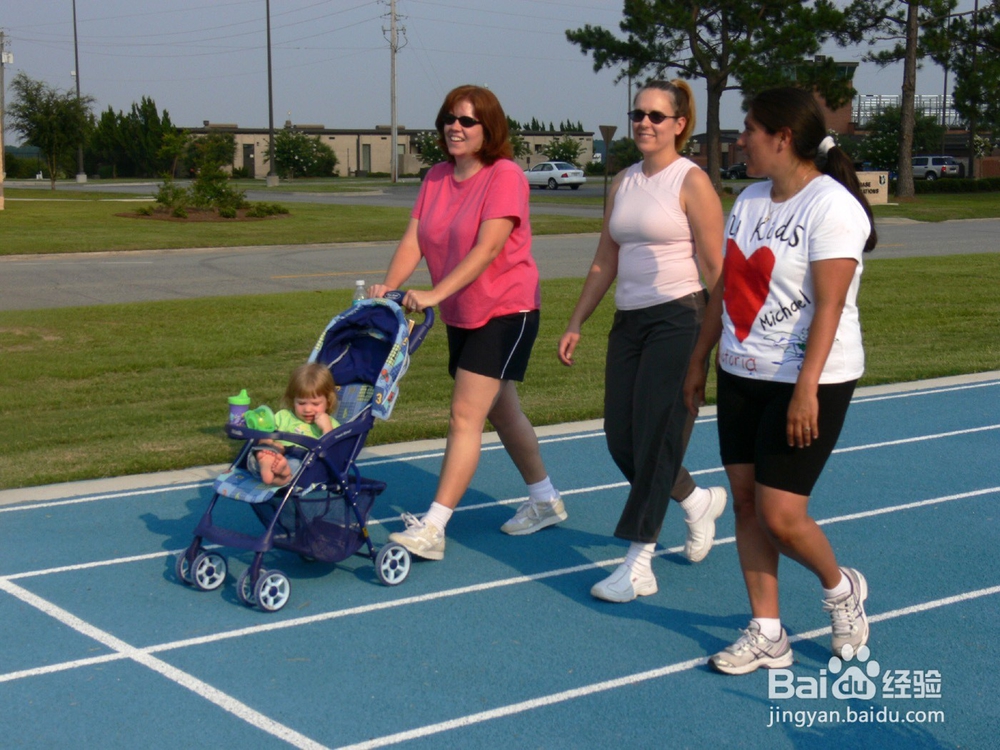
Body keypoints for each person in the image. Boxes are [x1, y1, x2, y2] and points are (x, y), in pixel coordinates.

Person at [684, 87, 878, 675]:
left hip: (807, 379)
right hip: (741, 373)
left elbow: (829, 306)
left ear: (782, 137)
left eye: (748, 129)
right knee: (745, 503)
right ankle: (768, 631)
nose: (740, 139)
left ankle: (840, 587)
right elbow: (728, 288)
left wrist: (806, 391)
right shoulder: (748, 200)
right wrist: (699, 360)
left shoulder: (832, 206)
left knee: (782, 515)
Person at [369, 84, 563, 561]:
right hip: (463, 311)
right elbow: (414, 238)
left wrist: (434, 292)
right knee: (502, 410)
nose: (455, 127)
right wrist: (388, 291)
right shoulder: (436, 177)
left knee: (464, 415)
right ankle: (545, 499)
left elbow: (489, 247)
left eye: (467, 121)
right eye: (450, 119)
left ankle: (434, 527)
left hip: (505, 309)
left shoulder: (505, 176)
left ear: (488, 129)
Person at [557, 79, 728, 604]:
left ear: (680, 124)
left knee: (657, 435)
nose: (644, 123)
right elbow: (604, 258)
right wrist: (577, 320)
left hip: (679, 318)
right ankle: (696, 499)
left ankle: (639, 562)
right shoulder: (624, 181)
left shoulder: (691, 181)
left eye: (656, 115)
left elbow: (717, 267)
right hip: (628, 323)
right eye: (638, 114)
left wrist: (720, 336)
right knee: (621, 439)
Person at [250, 362, 340, 486]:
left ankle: (282, 473)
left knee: (296, 466)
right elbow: (266, 432)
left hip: (301, 461)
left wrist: (327, 429)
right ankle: (270, 466)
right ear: (293, 401)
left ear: (328, 402)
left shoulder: (330, 424)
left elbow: (333, 453)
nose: (308, 409)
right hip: (275, 455)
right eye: (301, 403)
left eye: (315, 404)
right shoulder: (283, 416)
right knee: (255, 455)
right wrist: (270, 446)